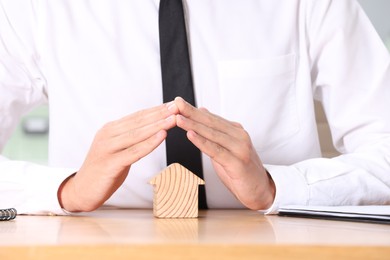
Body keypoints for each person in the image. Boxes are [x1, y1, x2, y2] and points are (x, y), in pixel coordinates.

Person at [1, 0, 389, 215]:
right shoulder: (34, 8)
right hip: (97, 247)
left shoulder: (314, 4)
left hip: (274, 246)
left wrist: (277, 187)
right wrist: (67, 190)